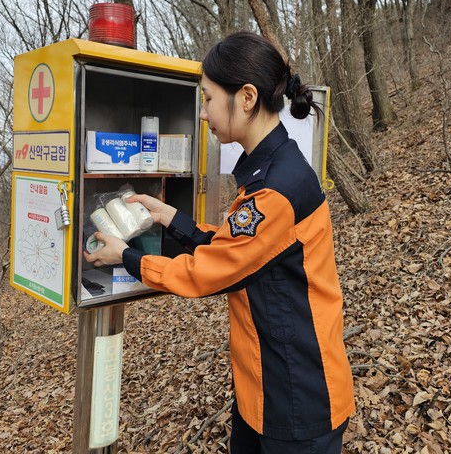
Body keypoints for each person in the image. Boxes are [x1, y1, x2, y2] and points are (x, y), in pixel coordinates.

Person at [85, 31, 355, 453]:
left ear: (246, 98)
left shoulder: (276, 189)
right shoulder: (270, 171)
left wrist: (128, 257)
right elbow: (241, 250)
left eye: (209, 99)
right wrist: (172, 219)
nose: (203, 113)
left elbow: (210, 272)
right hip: (262, 386)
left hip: (297, 395)